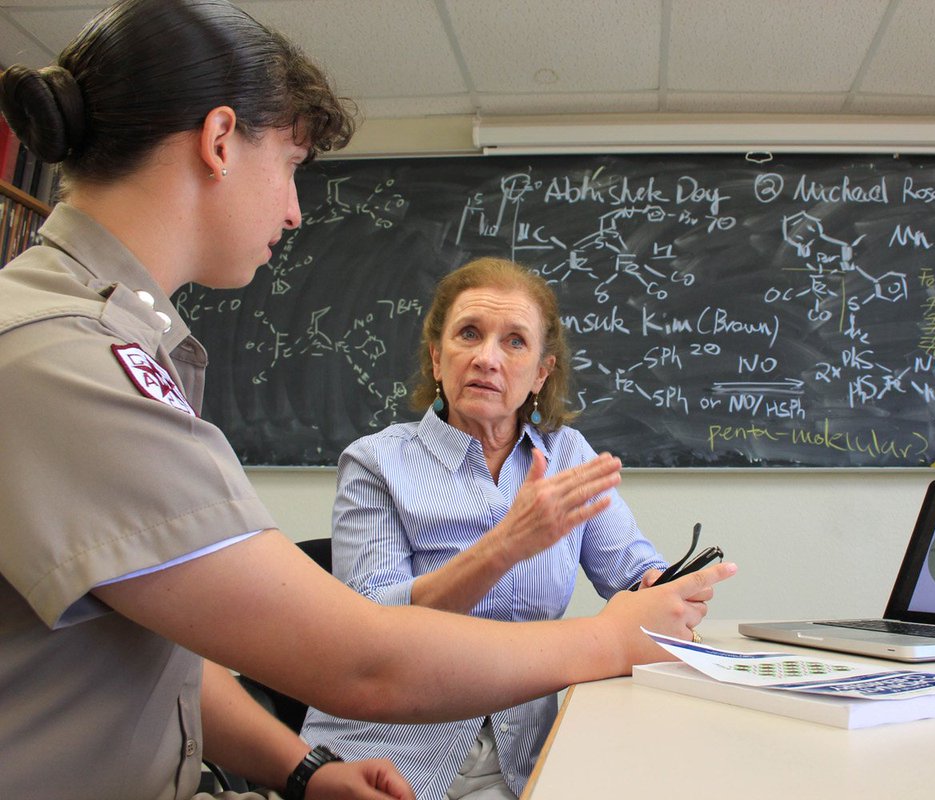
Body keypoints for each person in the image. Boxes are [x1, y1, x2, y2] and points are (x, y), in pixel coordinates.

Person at [0, 2, 736, 799]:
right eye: (288, 165)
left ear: (543, 371)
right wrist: (603, 641)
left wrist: (302, 770)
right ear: (219, 142)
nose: (293, 208)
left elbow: (160, 652)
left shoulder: (105, 342)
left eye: (515, 343)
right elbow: (364, 662)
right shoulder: (66, 358)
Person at [302, 257, 683, 800]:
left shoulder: (566, 456)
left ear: (541, 373)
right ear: (437, 359)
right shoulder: (375, 463)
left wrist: (663, 586)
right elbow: (372, 636)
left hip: (523, 762)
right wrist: (507, 545)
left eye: (514, 342)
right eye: (469, 334)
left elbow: (631, 569)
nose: (487, 358)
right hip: (390, 755)